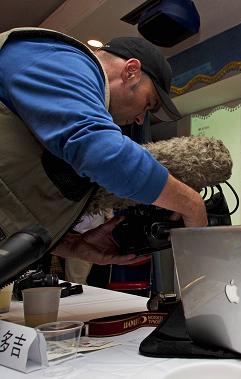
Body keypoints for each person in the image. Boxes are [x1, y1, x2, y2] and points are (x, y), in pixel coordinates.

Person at [0, 28, 207, 267]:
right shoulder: (62, 59)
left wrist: (73, 245)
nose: (141, 119)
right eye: (148, 103)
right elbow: (101, 153)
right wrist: (190, 202)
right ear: (131, 71)